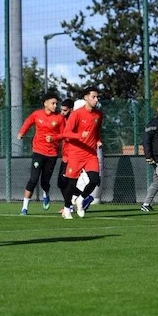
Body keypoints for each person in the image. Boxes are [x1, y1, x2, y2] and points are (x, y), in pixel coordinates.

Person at [16, 92, 66, 215]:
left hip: (52, 154)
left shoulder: (59, 118)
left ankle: (46, 193)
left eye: (56, 103)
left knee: (45, 181)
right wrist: (21, 132)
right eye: (53, 103)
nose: (55, 106)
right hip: (38, 152)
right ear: (45, 103)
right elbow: (28, 122)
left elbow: (64, 135)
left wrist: (54, 139)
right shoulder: (37, 114)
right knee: (33, 179)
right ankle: (24, 208)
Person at [59, 87, 103, 219]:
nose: (96, 99)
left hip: (90, 154)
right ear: (86, 98)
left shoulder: (98, 115)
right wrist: (79, 135)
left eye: (97, 97)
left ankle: (81, 199)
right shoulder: (76, 114)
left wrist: (98, 140)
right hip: (76, 154)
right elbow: (66, 133)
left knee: (95, 180)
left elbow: (96, 131)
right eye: (93, 97)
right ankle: (67, 208)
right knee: (71, 183)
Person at [56, 99, 74, 213]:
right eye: (61, 110)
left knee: (64, 182)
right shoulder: (63, 119)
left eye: (65, 110)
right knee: (63, 182)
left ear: (71, 109)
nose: (62, 112)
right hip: (65, 156)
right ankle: (82, 198)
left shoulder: (74, 120)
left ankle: (70, 205)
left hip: (72, 156)